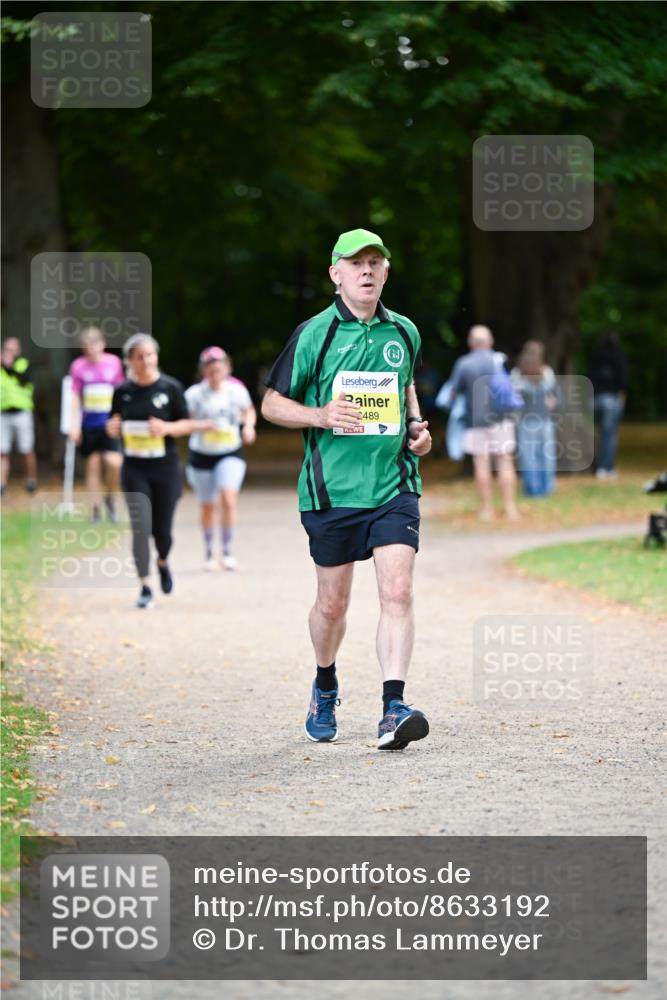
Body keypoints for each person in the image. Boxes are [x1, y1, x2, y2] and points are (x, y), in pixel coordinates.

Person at [262, 228, 432, 751]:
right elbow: (270, 404)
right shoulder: (315, 333)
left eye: (375, 262)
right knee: (332, 607)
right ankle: (325, 682)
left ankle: (393, 707)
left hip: (393, 486)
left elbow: (405, 389)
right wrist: (319, 414)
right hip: (331, 491)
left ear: (385, 273)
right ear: (335, 274)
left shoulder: (404, 331)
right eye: (355, 263)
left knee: (398, 591)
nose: (366, 271)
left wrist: (419, 431)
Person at [106, 334, 197, 609]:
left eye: (150, 355)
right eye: (139, 356)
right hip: (134, 468)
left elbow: (187, 424)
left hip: (165, 467)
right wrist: (112, 429)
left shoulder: (170, 387)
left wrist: (167, 428)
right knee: (140, 528)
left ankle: (163, 561)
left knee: (162, 532)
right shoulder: (122, 391)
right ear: (130, 361)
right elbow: (114, 422)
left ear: (156, 356)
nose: (145, 361)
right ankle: (145, 585)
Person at [185, 346, 257, 570]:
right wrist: (199, 425)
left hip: (229, 452)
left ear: (227, 367)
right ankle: (209, 551)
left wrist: (249, 426)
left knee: (228, 499)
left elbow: (249, 410)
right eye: (210, 368)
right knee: (208, 506)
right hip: (201, 454)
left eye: (219, 367)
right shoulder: (193, 394)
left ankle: (227, 551)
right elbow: (183, 422)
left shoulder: (237, 391)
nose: (215, 371)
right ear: (203, 371)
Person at [448, 325, 520, 520]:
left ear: (471, 343)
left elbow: (453, 393)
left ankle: (487, 510)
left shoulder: (463, 364)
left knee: (481, 463)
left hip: (475, 421)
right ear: (490, 342)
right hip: (502, 419)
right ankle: (511, 509)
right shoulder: (500, 360)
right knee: (505, 462)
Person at [68, 327, 124, 522]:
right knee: (92, 467)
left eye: (93, 345)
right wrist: (73, 425)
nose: (90, 350)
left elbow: (120, 392)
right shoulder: (78, 366)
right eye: (86, 347)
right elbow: (75, 397)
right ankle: (95, 509)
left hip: (109, 423)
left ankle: (110, 497)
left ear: (102, 344)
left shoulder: (114, 363)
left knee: (115, 463)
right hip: (89, 424)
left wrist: (120, 418)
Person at [511, 340, 560, 497]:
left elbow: (513, 400)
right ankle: (547, 488)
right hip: (544, 420)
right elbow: (557, 397)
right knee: (546, 455)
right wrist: (553, 403)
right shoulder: (547, 373)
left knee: (528, 456)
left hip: (525, 421)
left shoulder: (517, 374)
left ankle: (533, 490)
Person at [587, 330, 628, 480]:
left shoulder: (594, 357)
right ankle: (605, 468)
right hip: (611, 400)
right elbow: (623, 382)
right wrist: (621, 403)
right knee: (609, 435)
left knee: (595, 433)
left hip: (593, 400)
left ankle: (593, 465)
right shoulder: (619, 357)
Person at [1, 337, 37, 495]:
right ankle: (2, 484)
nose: (10, 352)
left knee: (26, 449)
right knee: (2, 450)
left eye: (13, 349)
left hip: (22, 413)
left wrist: (8, 366)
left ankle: (31, 480)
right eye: (7, 349)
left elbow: (24, 381)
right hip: (3, 413)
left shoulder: (25, 365)